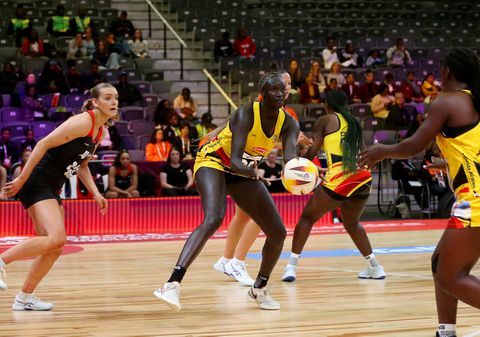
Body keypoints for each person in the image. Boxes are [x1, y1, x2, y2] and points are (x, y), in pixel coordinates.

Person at [358, 48, 480, 337]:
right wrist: (447, 164)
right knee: (440, 264)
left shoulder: (446, 101)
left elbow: (414, 145)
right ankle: (445, 332)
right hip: (471, 196)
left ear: (447, 72)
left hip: (475, 200)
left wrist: (380, 151)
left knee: (451, 277)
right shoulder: (474, 102)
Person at [153, 70, 299, 310]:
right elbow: (235, 163)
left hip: (243, 170)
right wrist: (256, 174)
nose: (281, 93)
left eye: (283, 89)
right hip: (215, 161)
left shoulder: (290, 123)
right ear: (262, 94)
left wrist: (300, 173)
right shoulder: (245, 113)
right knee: (214, 217)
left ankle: (259, 288)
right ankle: (172, 284)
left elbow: (291, 159)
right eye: (274, 89)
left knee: (278, 232)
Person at [0, 82, 117, 310]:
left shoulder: (99, 131)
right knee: (56, 238)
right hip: (37, 180)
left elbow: (82, 166)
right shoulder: (83, 121)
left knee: (54, 248)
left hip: (52, 186)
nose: (114, 102)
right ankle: (1, 261)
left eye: (116, 98)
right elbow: (43, 143)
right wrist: (23, 178)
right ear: (95, 102)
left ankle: (24, 299)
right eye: (108, 98)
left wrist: (96, 194)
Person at [282, 90, 385, 283]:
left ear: (327, 105)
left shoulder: (325, 120)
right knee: (352, 223)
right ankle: (375, 267)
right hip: (363, 176)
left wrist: (299, 157)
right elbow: (361, 152)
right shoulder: (355, 122)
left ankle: (291, 268)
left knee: (307, 217)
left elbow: (312, 154)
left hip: (341, 175)